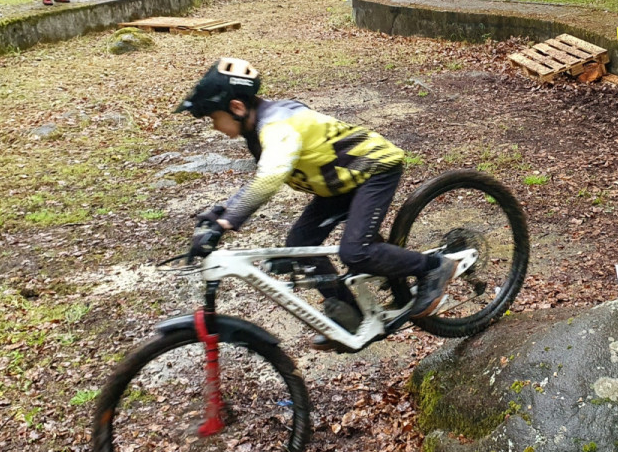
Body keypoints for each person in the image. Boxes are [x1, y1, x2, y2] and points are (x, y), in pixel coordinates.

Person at [175, 58, 460, 345]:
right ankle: (351, 317)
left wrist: (227, 220)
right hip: (338, 183)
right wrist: (222, 212)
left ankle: (434, 267)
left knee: (356, 252)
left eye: (213, 118)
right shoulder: (256, 129)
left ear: (236, 107)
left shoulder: (276, 125)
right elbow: (262, 175)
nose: (214, 126)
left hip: (373, 170)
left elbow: (271, 176)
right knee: (299, 247)